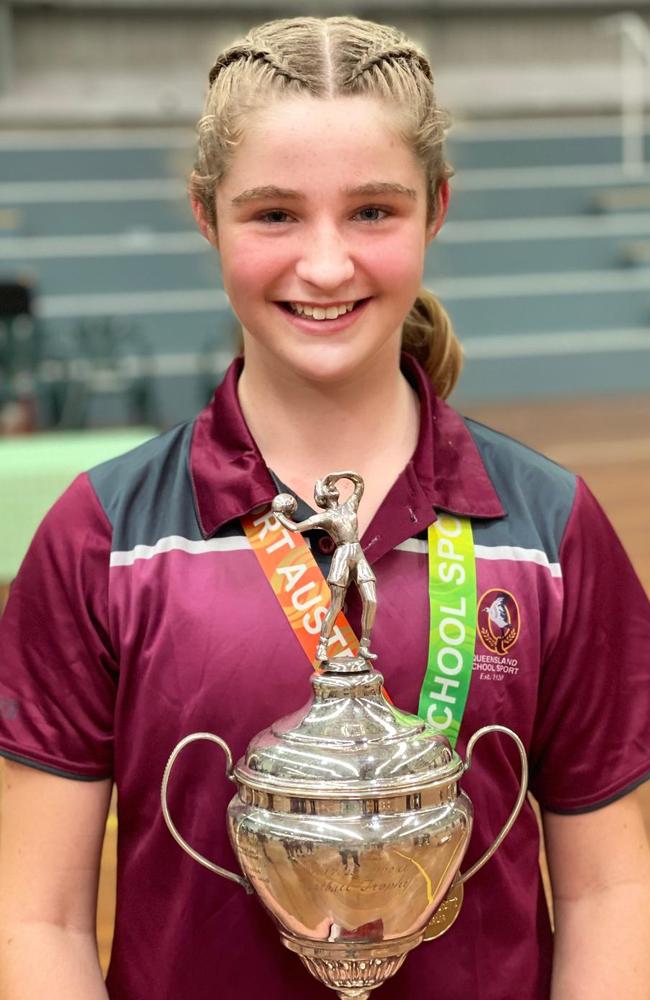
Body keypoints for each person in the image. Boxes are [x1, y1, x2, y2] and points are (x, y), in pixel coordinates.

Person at [0, 14, 649, 1000]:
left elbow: (611, 896)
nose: (325, 264)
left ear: (435, 209)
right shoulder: (103, 536)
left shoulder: (549, 531)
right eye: (273, 214)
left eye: (371, 212)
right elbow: (34, 917)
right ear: (204, 215)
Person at [272, 471, 378, 661]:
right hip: (343, 555)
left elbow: (359, 483)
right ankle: (322, 646)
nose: (333, 487)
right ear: (323, 496)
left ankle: (364, 646)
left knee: (371, 600)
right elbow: (296, 528)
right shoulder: (325, 517)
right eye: (328, 487)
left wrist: (338, 475)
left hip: (358, 554)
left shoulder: (350, 506)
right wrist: (279, 515)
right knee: (336, 606)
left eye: (332, 486)